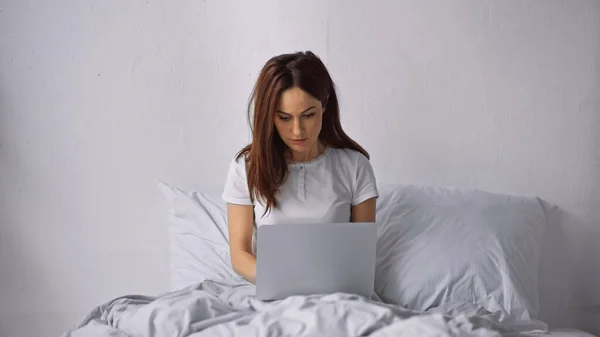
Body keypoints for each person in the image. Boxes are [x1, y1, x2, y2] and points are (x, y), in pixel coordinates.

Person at [221, 51, 378, 284]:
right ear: (269, 117)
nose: (297, 131)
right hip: (272, 290)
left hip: (337, 295)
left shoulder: (355, 167)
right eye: (284, 118)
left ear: (324, 105)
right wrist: (285, 281)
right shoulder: (245, 167)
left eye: (308, 115)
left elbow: (362, 258)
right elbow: (240, 255)